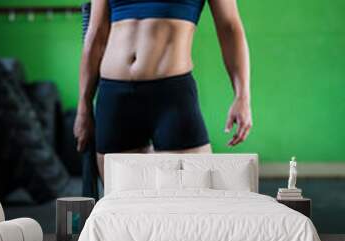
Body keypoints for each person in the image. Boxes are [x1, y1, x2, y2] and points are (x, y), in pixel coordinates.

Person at [74, 0, 253, 180]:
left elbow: (229, 27)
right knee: (120, 202)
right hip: (114, 96)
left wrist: (242, 96)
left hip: (171, 95)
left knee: (192, 199)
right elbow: (95, 35)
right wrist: (84, 108)